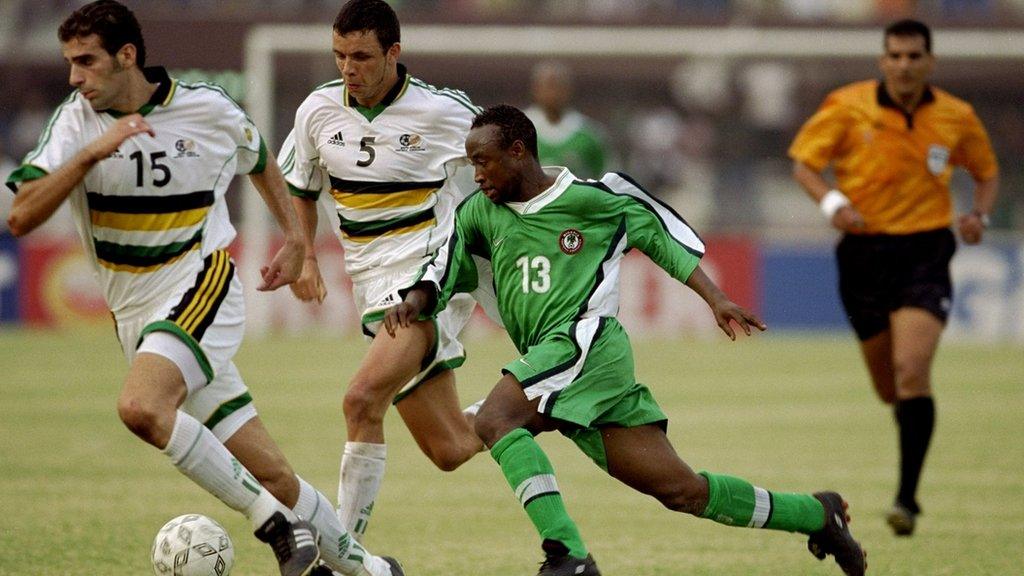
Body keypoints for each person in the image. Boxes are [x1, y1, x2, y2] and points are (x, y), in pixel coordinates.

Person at [3, 3, 402, 575]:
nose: (74, 77)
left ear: (126, 56)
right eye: (70, 63)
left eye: (86, 62)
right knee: (275, 475)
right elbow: (19, 216)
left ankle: (276, 527)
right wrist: (92, 151)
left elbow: (261, 159)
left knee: (141, 407)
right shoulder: (75, 123)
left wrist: (295, 239)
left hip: (201, 284)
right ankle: (373, 571)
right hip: (139, 317)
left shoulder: (207, 109)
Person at [385, 104, 867, 576]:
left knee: (496, 420)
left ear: (517, 151)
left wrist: (715, 298)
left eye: (482, 161)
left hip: (586, 344)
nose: (477, 174)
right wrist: (416, 300)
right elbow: (442, 268)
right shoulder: (479, 213)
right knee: (682, 491)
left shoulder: (592, 199)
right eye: (471, 164)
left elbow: (658, 236)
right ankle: (816, 514)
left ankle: (567, 556)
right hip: (559, 364)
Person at [281, 0, 485, 543]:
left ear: (393, 53)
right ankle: (534, 403)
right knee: (451, 449)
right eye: (339, 55)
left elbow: (509, 156)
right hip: (370, 285)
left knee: (360, 400)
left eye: (362, 56)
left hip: (427, 278)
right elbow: (299, 188)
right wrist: (303, 253)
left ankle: (345, 554)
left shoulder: (443, 112)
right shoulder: (317, 112)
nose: (348, 68)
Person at [788, 19, 999, 537]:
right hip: (863, 253)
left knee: (911, 371)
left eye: (914, 56)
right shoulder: (847, 106)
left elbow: (986, 171)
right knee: (889, 389)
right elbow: (804, 163)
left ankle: (907, 498)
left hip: (925, 251)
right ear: (883, 60)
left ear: (930, 61)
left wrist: (979, 215)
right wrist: (834, 202)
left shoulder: (957, 116)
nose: (904, 65)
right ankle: (907, 432)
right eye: (896, 56)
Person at [524, 60, 609, 179]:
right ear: (535, 89)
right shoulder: (518, 130)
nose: (552, 93)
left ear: (568, 89)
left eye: (557, 85)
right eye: (548, 85)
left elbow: (605, 176)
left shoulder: (589, 133)